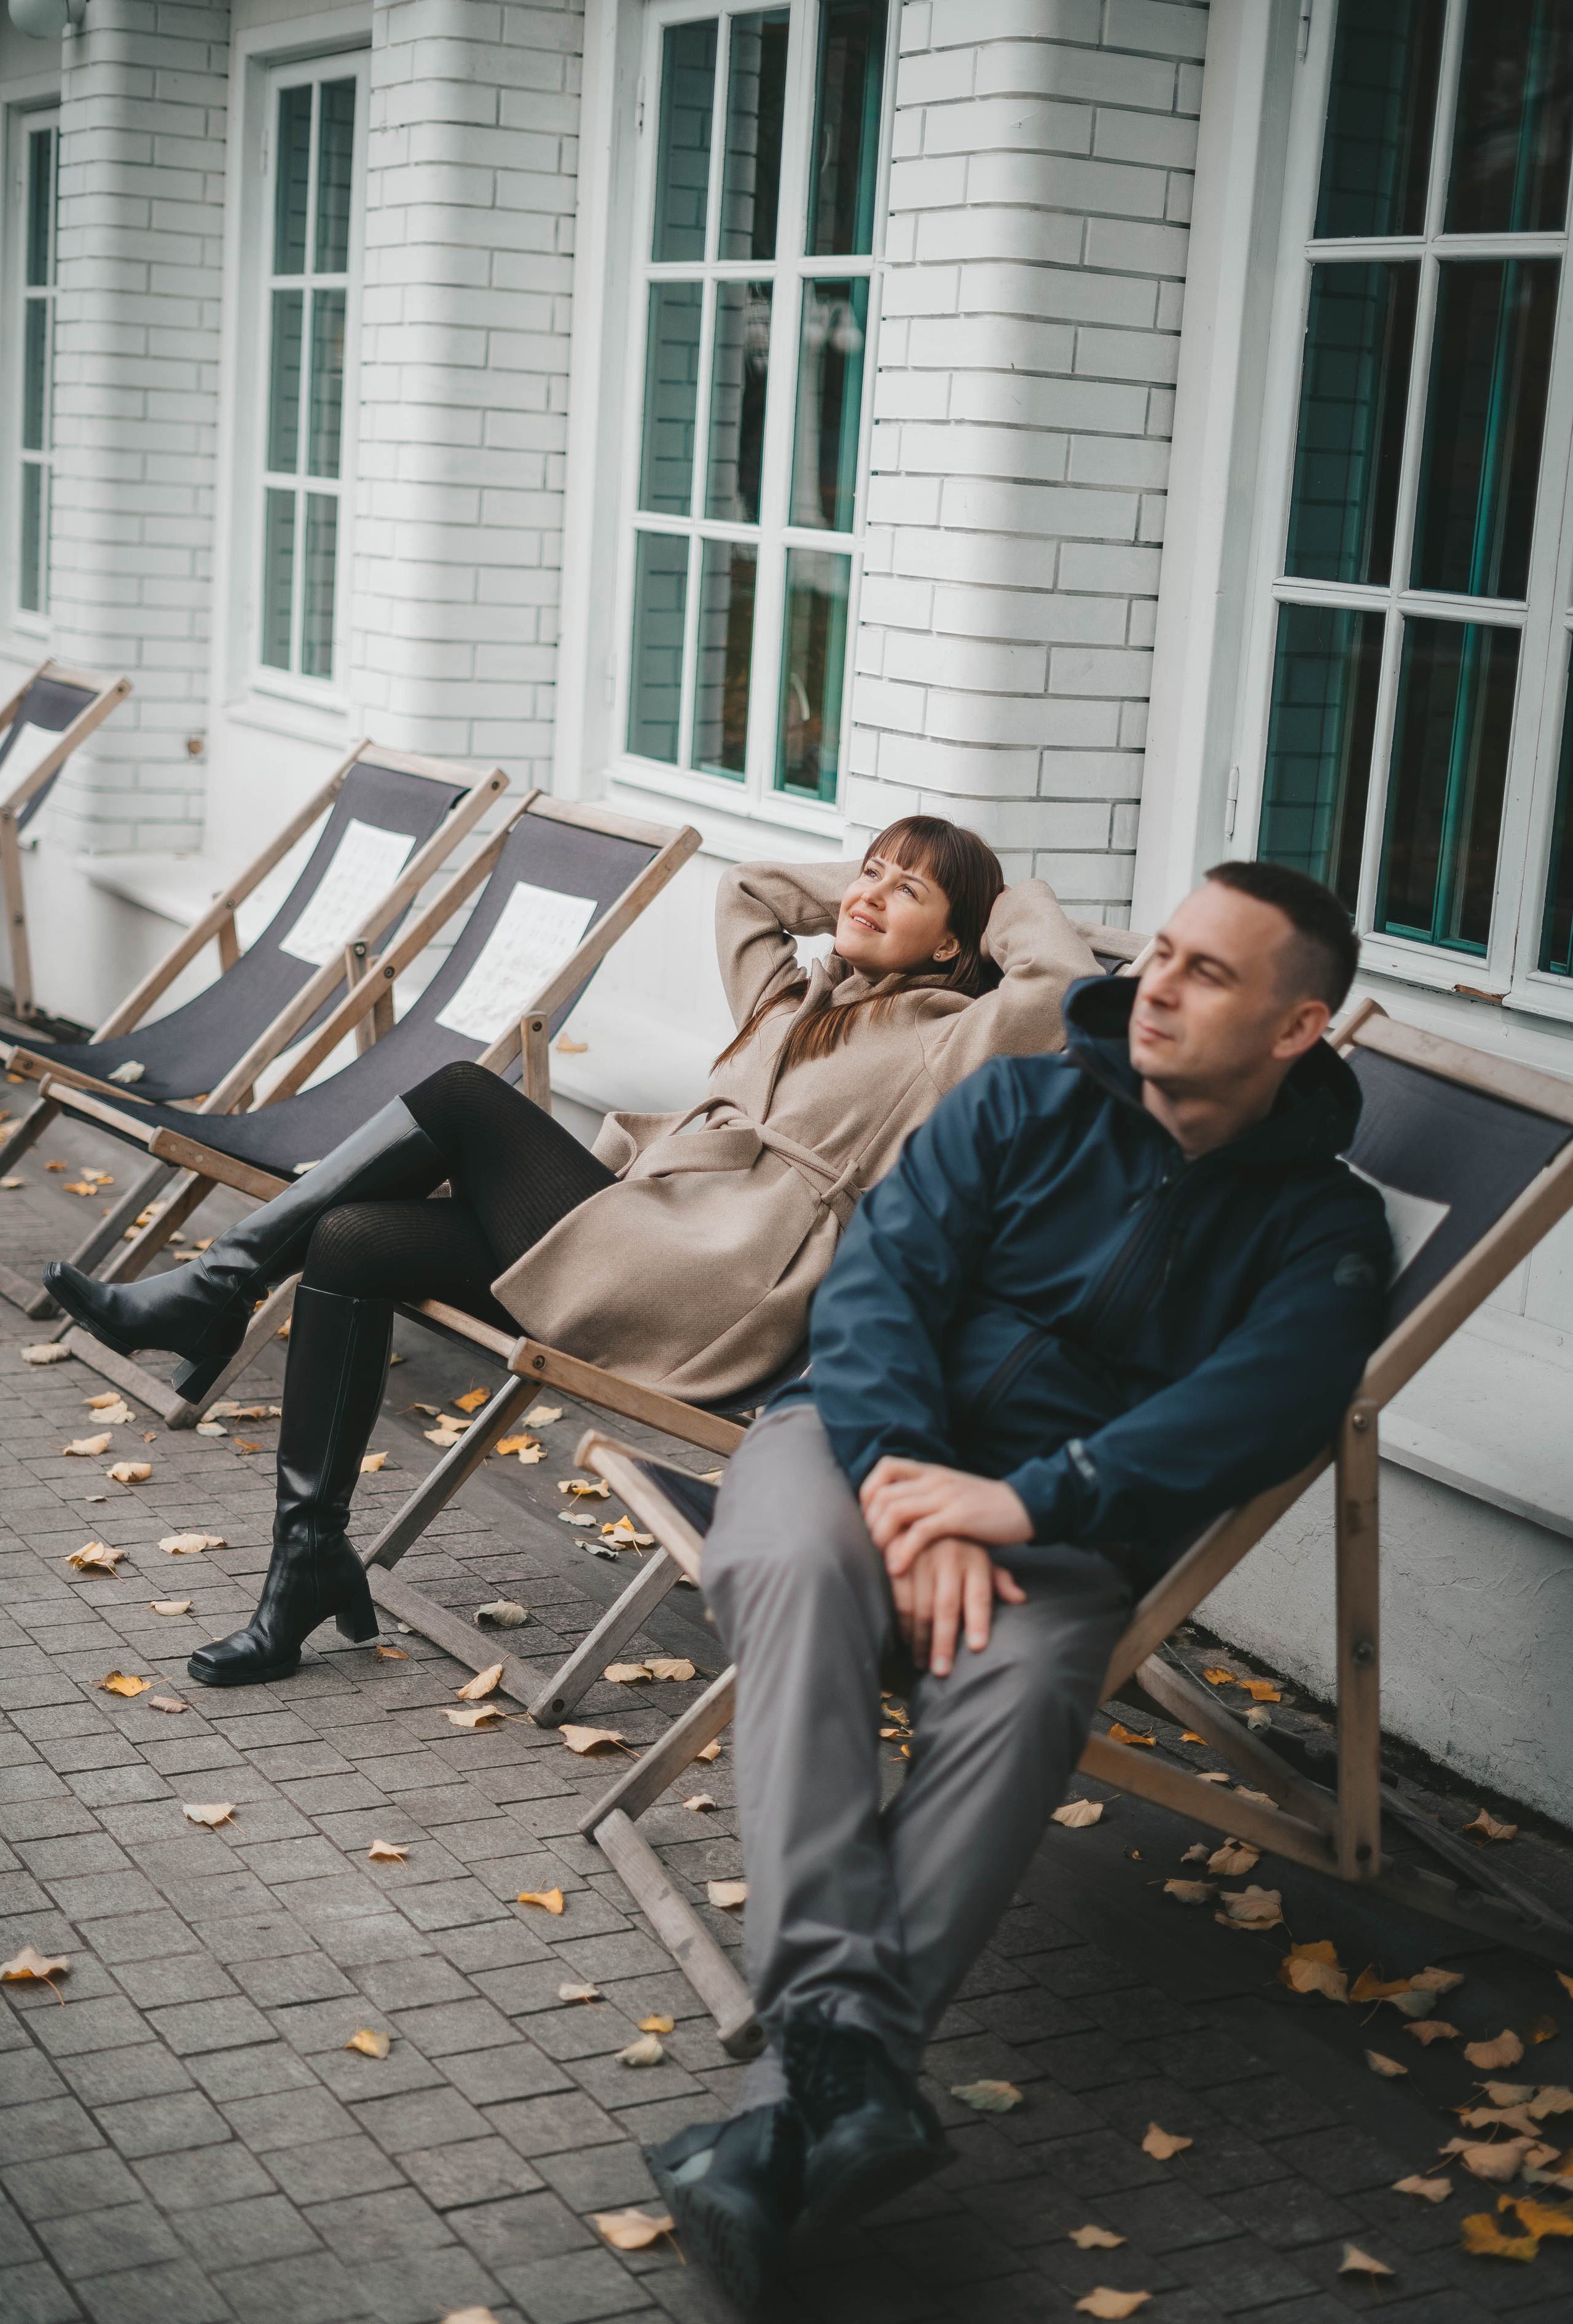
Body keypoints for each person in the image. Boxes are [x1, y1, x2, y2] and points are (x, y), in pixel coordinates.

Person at [645, 861, 1393, 2310]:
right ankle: (846, 2051)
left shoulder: (1325, 1228)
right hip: (855, 1444)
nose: (1156, 985)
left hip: (1055, 1527)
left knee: (1030, 1680)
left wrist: (1023, 1501)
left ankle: (797, 2111)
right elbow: (878, 1291)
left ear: (1299, 1026)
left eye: (1207, 973)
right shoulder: (1019, 1102)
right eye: (1160, 951)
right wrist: (921, 1490)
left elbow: (1266, 1400)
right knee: (790, 1561)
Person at [45, 817, 1098, 1688]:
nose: (867, 893)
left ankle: (218, 1287)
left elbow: (1058, 988)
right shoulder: (792, 999)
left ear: (957, 944)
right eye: (865, 872)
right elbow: (748, 891)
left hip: (709, 1286)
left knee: (460, 1094)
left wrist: (997, 893)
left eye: (906, 891)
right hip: (631, 1236)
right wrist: (882, 893)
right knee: (352, 1240)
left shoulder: (949, 1036)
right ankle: (306, 1564)